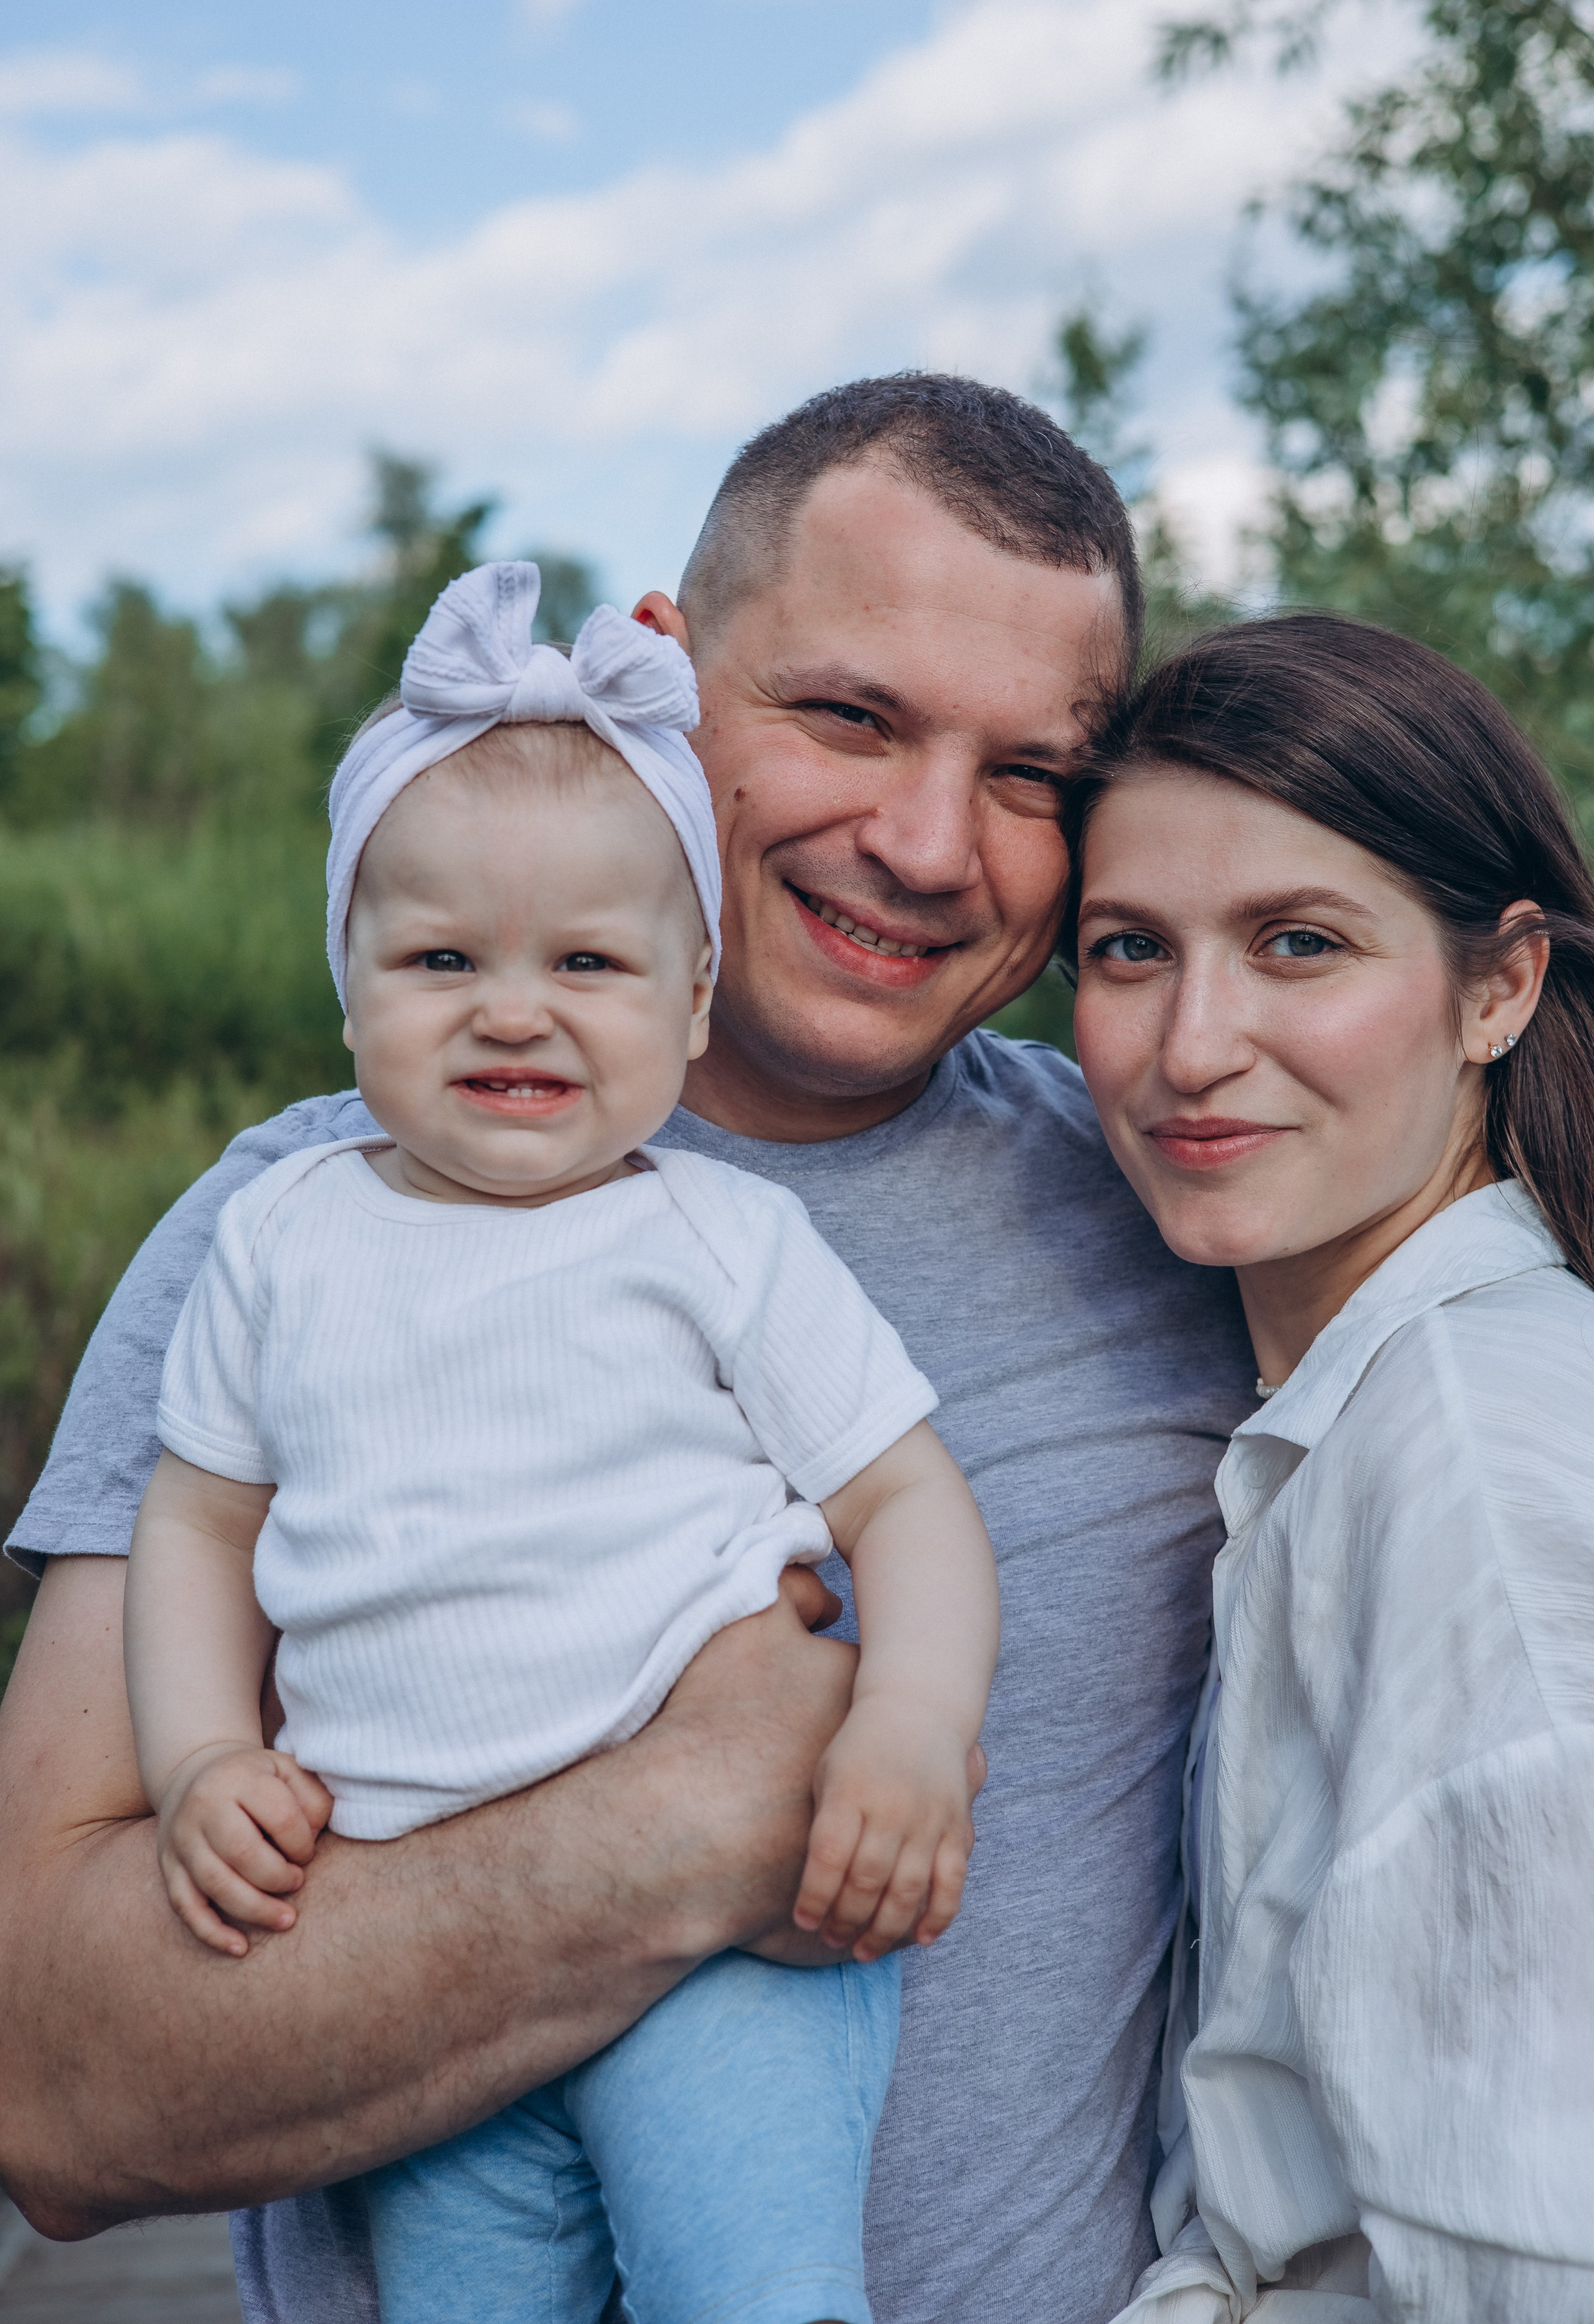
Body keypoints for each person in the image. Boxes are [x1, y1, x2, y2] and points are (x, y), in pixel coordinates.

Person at [0, 374, 1256, 2324]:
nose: (931, 844)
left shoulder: (1183, 1204)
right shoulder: (291, 1226)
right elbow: (52, 2097)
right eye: (850, 717)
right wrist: (678, 1823)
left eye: (1031, 775)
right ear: (664, 681)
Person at [126, 558, 997, 2324]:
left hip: (733, 1966)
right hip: (412, 1960)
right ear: (348, 988)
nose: (512, 1008)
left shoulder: (718, 1240)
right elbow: (198, 1529)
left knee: (756, 2294)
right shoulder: (279, 1234)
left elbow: (908, 1498)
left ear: (692, 1002)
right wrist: (202, 1756)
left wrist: (911, 1719)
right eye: (440, 959)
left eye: (589, 963)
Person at [1059, 612, 1594, 2320]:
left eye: (1300, 943)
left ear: (1499, 987)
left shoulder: (1479, 1467)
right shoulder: (1347, 1413)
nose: (1193, 1045)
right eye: (1130, 950)